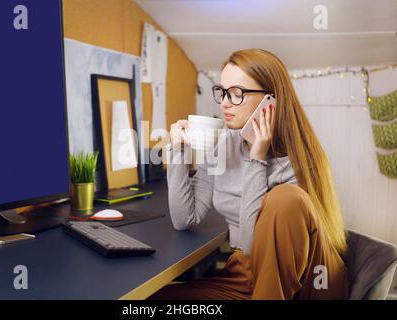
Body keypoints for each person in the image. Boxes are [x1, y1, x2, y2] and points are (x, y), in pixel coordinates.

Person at [149, 49, 349, 300]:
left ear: (271, 101)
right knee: (157, 300)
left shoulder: (300, 161)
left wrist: (257, 158)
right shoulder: (226, 144)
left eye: (236, 94)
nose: (223, 102)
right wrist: (178, 151)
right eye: (222, 91)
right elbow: (184, 218)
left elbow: (253, 243)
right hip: (246, 276)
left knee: (284, 198)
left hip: (310, 282)